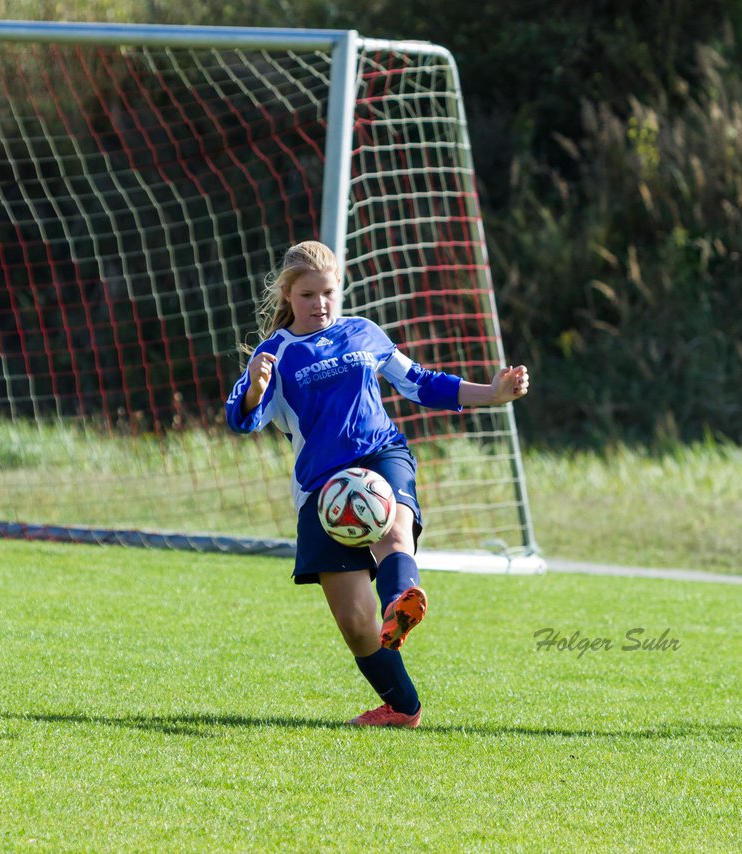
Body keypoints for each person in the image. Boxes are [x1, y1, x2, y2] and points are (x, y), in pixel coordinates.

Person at [225, 240, 530, 728]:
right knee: (355, 626)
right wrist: (256, 389)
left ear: (338, 289)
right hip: (321, 488)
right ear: (288, 294)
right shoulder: (274, 353)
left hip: (381, 455)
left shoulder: (363, 333)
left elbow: (421, 382)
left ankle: (401, 602)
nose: (319, 304)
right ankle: (403, 708)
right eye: (307, 295)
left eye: (327, 292)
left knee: (393, 530)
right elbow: (242, 421)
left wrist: (491, 393)